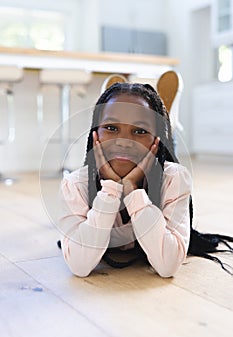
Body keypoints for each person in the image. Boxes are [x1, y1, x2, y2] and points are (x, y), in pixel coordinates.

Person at [59, 82, 233, 278]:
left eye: (140, 131)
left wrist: (132, 192)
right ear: (95, 135)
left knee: (167, 161)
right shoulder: (74, 184)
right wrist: (110, 191)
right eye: (111, 127)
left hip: (159, 166)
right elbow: (79, 266)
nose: (124, 141)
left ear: (156, 140)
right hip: (92, 189)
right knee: (72, 223)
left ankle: (169, 136)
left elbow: (167, 266)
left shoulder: (175, 179)